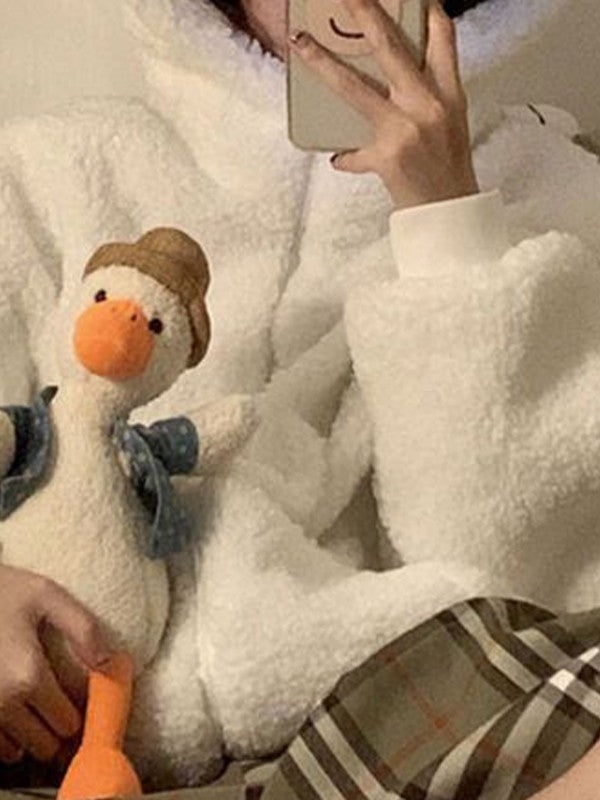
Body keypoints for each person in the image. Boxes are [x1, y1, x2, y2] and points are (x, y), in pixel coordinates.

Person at [1, 0, 600, 794]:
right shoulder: (52, 171)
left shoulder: (559, 190)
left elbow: (514, 586)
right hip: (72, 732)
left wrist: (447, 222)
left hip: (393, 733)